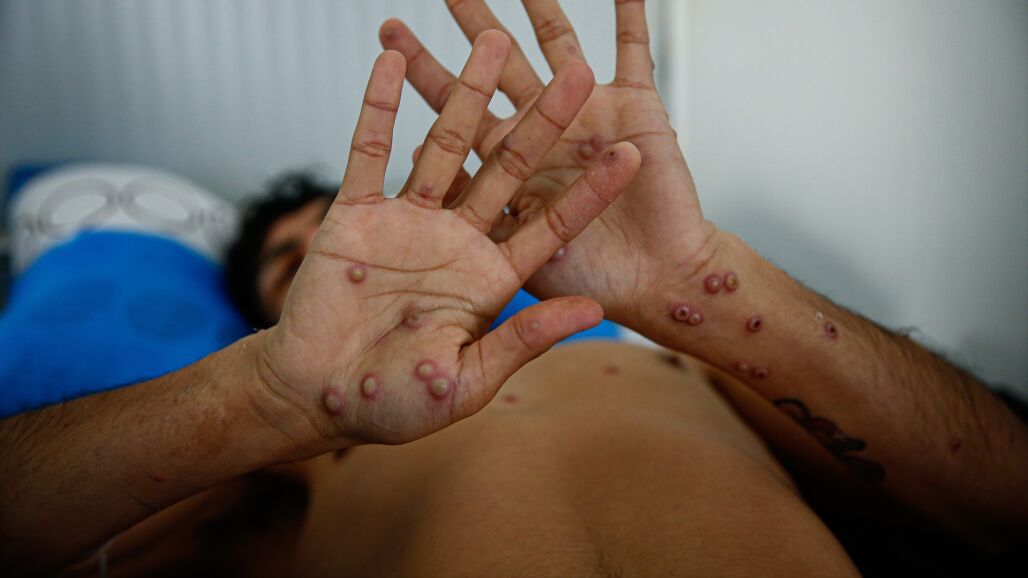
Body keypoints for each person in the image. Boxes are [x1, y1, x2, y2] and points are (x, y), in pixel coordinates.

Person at [2, 1, 1026, 576]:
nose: (347, 273)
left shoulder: (682, 363)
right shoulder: (280, 449)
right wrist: (261, 400)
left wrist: (701, 287)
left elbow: (1004, 504)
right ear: (268, 315)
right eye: (296, 265)